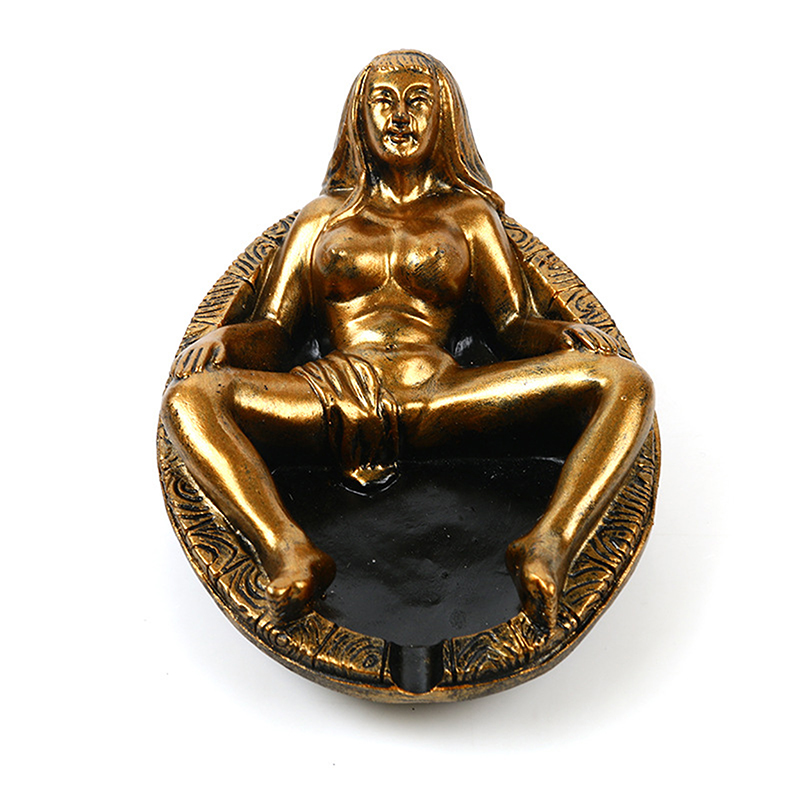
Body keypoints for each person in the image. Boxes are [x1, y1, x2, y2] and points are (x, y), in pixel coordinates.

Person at [161, 50, 655, 634]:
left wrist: (562, 333)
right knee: (189, 400)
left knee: (626, 385)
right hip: (332, 392)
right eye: (384, 101)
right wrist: (227, 337)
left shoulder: (469, 216)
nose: (399, 116)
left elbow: (511, 324)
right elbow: (276, 329)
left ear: (445, 119)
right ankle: (287, 550)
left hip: (441, 394)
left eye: (417, 101)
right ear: (359, 120)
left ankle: (550, 541)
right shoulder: (322, 219)